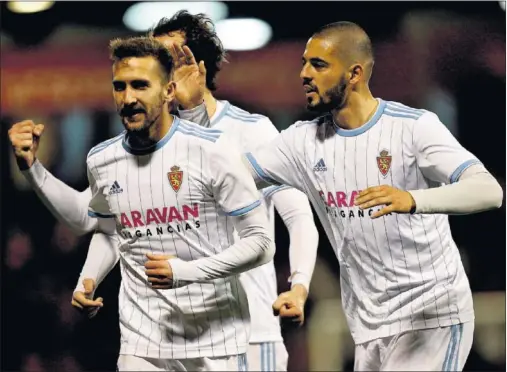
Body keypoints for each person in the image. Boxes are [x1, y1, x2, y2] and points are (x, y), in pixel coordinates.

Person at [178, 21, 504, 371]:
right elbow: (218, 181)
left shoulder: (413, 127)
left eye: (318, 65)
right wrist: (193, 110)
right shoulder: (301, 142)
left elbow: (489, 191)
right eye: (304, 62)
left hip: (431, 316)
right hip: (368, 326)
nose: (304, 73)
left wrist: (412, 200)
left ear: (355, 73)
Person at [9, 11, 318, 372]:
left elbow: (297, 216)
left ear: (198, 66)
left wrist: (298, 285)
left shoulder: (251, 132)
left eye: (170, 56)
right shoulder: (131, 149)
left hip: (248, 331)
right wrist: (88, 279)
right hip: (163, 335)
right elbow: (112, 227)